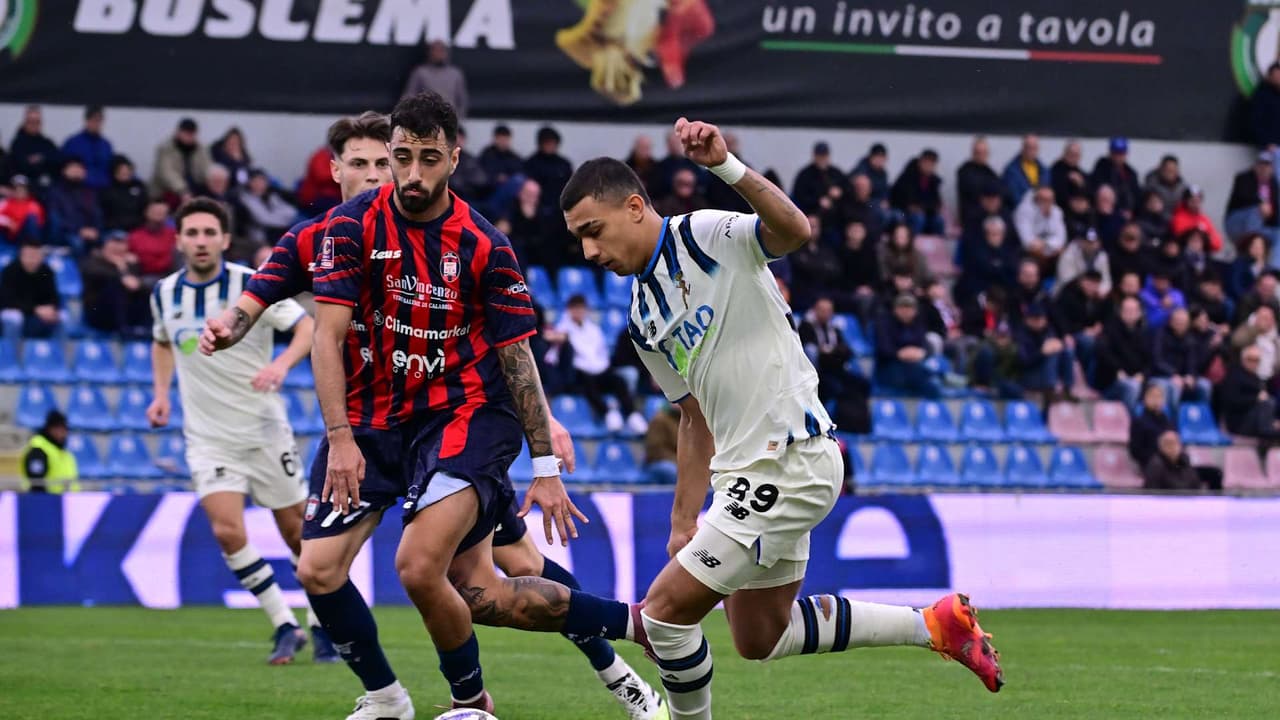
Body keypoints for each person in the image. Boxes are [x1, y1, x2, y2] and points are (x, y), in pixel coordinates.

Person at [224, 97, 663, 718]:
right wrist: (236, 324)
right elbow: (292, 313)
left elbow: (516, 357)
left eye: (414, 159)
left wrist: (545, 458)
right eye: (385, 160)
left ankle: (510, 694)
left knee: (460, 567)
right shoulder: (338, 233)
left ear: (453, 160)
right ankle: (391, 697)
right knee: (332, 571)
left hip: (460, 418)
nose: (398, 175)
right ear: (338, 169)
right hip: (372, 425)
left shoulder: (484, 244)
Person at [560, 120, 1002, 720]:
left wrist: (726, 167)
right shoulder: (642, 317)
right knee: (758, 636)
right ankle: (935, 625)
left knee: (663, 614)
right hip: (747, 475)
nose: (588, 251)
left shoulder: (704, 235)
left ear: (635, 207)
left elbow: (795, 230)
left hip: (790, 458)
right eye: (578, 241)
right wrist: (683, 518)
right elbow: (692, 418)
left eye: (594, 231)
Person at [147, 197, 329, 665]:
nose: (201, 241)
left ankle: (321, 621)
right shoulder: (165, 293)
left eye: (210, 233)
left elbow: (307, 326)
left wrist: (282, 365)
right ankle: (284, 624)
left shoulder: (252, 285)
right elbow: (163, 341)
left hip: (264, 430)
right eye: (193, 233)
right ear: (179, 240)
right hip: (208, 438)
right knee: (228, 531)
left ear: (225, 240)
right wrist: (161, 394)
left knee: (296, 536)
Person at [553, 294, 649, 434]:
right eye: (575, 309)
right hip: (579, 372)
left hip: (599, 368)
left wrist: (601, 367)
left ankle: (632, 414)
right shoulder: (562, 330)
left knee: (618, 380)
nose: (579, 312)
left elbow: (602, 352)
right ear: (569, 310)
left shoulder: (594, 329)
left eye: (581, 308)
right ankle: (608, 413)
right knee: (588, 383)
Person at [81, 231, 150, 337]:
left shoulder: (130, 265)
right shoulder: (93, 261)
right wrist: (121, 269)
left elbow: (135, 284)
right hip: (98, 314)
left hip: (126, 312)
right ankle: (123, 329)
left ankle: (146, 328)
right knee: (116, 288)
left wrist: (125, 269)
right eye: (114, 243)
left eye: (121, 243)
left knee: (146, 290)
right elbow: (101, 275)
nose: (118, 247)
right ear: (104, 245)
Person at [1094, 296, 1150, 410]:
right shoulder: (1109, 330)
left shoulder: (1145, 333)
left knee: (1161, 386)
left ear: (1139, 313)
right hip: (1111, 382)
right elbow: (1103, 354)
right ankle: (1128, 423)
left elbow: (1150, 360)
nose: (1129, 313)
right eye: (1126, 310)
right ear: (1120, 312)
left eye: (1133, 310)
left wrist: (1143, 374)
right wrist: (1117, 370)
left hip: (1137, 378)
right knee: (1132, 386)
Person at [798, 297, 856, 403]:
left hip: (835, 368)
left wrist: (829, 351)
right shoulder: (806, 326)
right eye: (822, 310)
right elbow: (809, 349)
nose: (826, 313)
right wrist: (830, 352)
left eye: (829, 311)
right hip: (816, 371)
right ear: (815, 310)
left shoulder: (834, 328)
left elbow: (846, 350)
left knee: (860, 383)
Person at [1151, 307, 1211, 407]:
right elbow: (1157, 360)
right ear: (1171, 322)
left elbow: (1193, 361)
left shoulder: (1191, 338)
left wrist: (1191, 376)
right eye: (1177, 321)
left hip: (1183, 377)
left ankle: (1202, 419)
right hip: (1162, 376)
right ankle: (1173, 421)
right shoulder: (1160, 335)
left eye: (1183, 322)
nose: (1180, 324)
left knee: (1205, 385)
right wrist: (1173, 374)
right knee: (1174, 387)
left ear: (1188, 324)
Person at [1225, 153, 1280, 259]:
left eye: (1267, 166)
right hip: (1236, 223)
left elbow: (1276, 211)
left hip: (1260, 227)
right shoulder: (1243, 178)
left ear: (1272, 169)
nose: (1263, 169)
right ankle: (1249, 257)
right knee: (1256, 212)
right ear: (1255, 166)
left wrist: (1271, 211)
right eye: (1261, 165)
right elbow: (1243, 197)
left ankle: (1273, 270)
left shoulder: (1273, 184)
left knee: (1278, 235)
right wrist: (1261, 203)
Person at [0, 242, 60, 338]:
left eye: (36, 255)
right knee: (13, 318)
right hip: (18, 311)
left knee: (60, 318)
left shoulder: (46, 271)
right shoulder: (10, 271)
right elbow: (8, 300)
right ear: (21, 256)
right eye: (29, 256)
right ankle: (10, 351)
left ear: (41, 257)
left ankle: (54, 352)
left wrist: (51, 309)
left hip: (39, 314)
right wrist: (35, 310)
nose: (32, 260)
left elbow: (54, 297)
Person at [1219, 345, 1280, 439]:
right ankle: (1267, 431)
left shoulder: (1257, 378)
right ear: (1243, 359)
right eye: (1250, 359)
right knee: (1266, 403)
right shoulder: (1234, 376)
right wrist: (1256, 399)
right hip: (1239, 422)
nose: (1254, 363)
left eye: (1257, 360)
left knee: (1270, 401)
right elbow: (1231, 401)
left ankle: (1271, 428)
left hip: (1255, 419)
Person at [401, 40, 469, 119]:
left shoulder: (455, 74)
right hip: (425, 119)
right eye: (435, 50)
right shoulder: (420, 72)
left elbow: (463, 100)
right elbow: (408, 96)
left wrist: (459, 118)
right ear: (429, 52)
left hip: (449, 119)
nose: (438, 53)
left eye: (441, 50)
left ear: (446, 53)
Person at [151, 118, 213, 204]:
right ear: (178, 132)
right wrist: (182, 190)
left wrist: (212, 181)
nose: (189, 137)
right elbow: (166, 173)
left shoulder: (201, 149)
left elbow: (207, 169)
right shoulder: (166, 149)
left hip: (193, 190)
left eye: (192, 134)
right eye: (186, 133)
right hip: (167, 191)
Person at [45, 157, 102, 250]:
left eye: (80, 168)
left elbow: (97, 214)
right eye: (73, 167)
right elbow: (55, 218)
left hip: (89, 231)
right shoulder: (55, 192)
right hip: (65, 232)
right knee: (77, 243)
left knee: (111, 240)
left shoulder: (90, 192)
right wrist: (79, 230)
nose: (77, 171)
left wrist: (96, 230)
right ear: (64, 171)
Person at [20, 410, 78, 494]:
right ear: (50, 429)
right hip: (48, 502)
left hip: (68, 502)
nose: (62, 433)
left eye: (64, 429)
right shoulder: (38, 450)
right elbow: (36, 483)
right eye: (58, 428)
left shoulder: (65, 453)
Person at [237, 169, 299, 247]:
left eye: (262, 181)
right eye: (256, 181)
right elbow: (264, 219)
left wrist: (273, 216)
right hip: (259, 238)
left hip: (278, 232)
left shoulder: (272, 195)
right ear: (249, 183)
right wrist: (282, 219)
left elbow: (292, 213)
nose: (259, 184)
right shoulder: (246, 198)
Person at [890, 148, 944, 235]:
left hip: (926, 212)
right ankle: (913, 244)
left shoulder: (934, 181)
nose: (929, 166)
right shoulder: (908, 176)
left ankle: (939, 247)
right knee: (918, 218)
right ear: (920, 162)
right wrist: (916, 207)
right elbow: (903, 201)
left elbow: (937, 203)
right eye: (927, 163)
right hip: (904, 213)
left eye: (932, 164)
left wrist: (928, 207)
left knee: (939, 220)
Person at [1014, 185, 1067, 272]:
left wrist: (1047, 245)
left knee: (1064, 252)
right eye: (1044, 199)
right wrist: (1049, 245)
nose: (1048, 203)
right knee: (1035, 253)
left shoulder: (1057, 211)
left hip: (1049, 250)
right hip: (1028, 252)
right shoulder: (1023, 211)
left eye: (1050, 200)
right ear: (1036, 199)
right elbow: (1027, 240)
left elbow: (1061, 238)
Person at [60, 105, 114, 190]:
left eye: (99, 120)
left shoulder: (106, 145)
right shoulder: (73, 143)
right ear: (87, 121)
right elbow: (64, 169)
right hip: (79, 191)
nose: (97, 124)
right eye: (94, 120)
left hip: (104, 191)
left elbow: (111, 169)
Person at [8, 105, 60, 194]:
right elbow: (21, 165)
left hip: (47, 186)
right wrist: (43, 160)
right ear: (25, 122)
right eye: (31, 122)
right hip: (25, 188)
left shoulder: (47, 143)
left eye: (37, 122)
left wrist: (39, 159)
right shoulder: (17, 144)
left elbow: (57, 160)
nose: (34, 125)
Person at [128, 200, 179, 281]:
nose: (159, 214)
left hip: (171, 275)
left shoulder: (174, 234)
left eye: (162, 212)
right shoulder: (135, 236)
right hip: (144, 276)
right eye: (156, 211)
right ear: (146, 212)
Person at [1090, 137, 1142, 214]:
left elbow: (1136, 195)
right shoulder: (1102, 168)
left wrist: (1132, 211)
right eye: (1115, 153)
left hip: (1129, 213)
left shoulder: (1131, 173)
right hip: (1108, 211)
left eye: (1121, 153)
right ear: (1110, 153)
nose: (1118, 157)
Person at [791, 141, 845, 216]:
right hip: (811, 214)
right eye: (819, 155)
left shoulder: (836, 173)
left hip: (835, 217)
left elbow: (847, 188)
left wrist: (840, 191)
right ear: (814, 156)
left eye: (824, 155)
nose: (822, 158)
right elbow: (799, 195)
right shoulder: (805, 175)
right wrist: (818, 201)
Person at [956, 135, 998, 227]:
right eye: (978, 152)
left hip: (990, 212)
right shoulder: (964, 170)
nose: (981, 155)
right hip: (972, 214)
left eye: (984, 152)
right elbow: (974, 191)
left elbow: (1000, 189)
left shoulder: (990, 171)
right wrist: (988, 200)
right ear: (973, 153)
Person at [1169, 185, 1223, 254]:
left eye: (1198, 201)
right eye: (1192, 201)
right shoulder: (1178, 217)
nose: (1196, 204)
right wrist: (1204, 235)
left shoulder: (1204, 218)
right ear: (1185, 201)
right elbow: (1183, 239)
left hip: (1201, 255)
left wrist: (1204, 239)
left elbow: (1217, 243)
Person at [100, 155, 148, 232]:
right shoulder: (107, 191)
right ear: (114, 172)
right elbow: (105, 215)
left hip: (140, 228)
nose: (125, 172)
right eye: (121, 170)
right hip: (116, 229)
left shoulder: (139, 186)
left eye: (127, 169)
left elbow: (146, 208)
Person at [1001, 133, 1046, 208]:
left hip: (1041, 212)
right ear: (1023, 148)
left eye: (1034, 148)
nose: (1031, 151)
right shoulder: (1011, 171)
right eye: (1029, 148)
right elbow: (1013, 196)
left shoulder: (1044, 171)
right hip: (1020, 211)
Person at [0, 174, 45, 246]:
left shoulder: (33, 204)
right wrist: (9, 222)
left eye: (22, 189)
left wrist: (18, 225)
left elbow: (37, 224)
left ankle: (34, 247)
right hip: (11, 235)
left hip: (27, 236)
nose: (19, 192)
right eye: (16, 189)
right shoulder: (6, 203)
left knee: (31, 219)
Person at [643, 403, 680, 485]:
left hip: (680, 461)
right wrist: (680, 462)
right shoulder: (659, 420)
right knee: (672, 470)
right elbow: (655, 450)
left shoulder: (690, 421)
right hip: (658, 462)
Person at [479, 124, 525, 189]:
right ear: (495, 139)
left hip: (509, 189)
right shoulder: (487, 155)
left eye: (506, 139)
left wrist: (507, 178)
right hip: (489, 190)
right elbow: (481, 176)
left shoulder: (514, 157)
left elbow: (519, 173)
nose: (503, 142)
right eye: (501, 139)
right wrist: (496, 178)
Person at [1144, 155, 1187, 222]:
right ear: (1161, 169)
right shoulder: (1151, 187)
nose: (1171, 173)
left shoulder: (1182, 187)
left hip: (1178, 221)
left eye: (1173, 170)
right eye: (1168, 169)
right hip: (1156, 221)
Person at [1050, 139, 1087, 210]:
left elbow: (1089, 193)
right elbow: (1055, 191)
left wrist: (1081, 184)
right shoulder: (1056, 170)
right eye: (1071, 154)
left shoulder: (1082, 173)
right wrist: (1070, 201)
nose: (1073, 157)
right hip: (1061, 209)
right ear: (1064, 153)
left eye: (1076, 155)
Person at [1251, 62, 1280, 149]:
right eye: (1276, 76)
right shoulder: (1262, 95)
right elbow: (1256, 122)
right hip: (1271, 147)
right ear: (1269, 77)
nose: (1278, 79)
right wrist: (1267, 142)